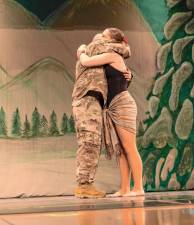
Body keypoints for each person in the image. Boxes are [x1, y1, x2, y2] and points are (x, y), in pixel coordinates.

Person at [78, 28, 144, 197]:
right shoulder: (111, 56)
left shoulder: (113, 55)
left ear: (111, 41)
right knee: (120, 149)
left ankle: (138, 188)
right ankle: (124, 188)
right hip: (113, 106)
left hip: (122, 104)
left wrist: (82, 50)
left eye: (104, 36)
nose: (101, 39)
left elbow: (86, 62)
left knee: (130, 147)